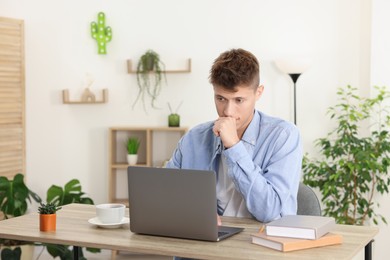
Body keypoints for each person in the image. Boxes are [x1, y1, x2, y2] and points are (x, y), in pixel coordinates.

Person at [166, 48, 302, 223]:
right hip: (204, 243)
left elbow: (270, 211)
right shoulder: (194, 138)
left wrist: (234, 146)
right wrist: (190, 212)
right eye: (221, 99)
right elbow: (167, 194)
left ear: (258, 92)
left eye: (239, 100)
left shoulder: (284, 136)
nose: (228, 111)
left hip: (262, 244)